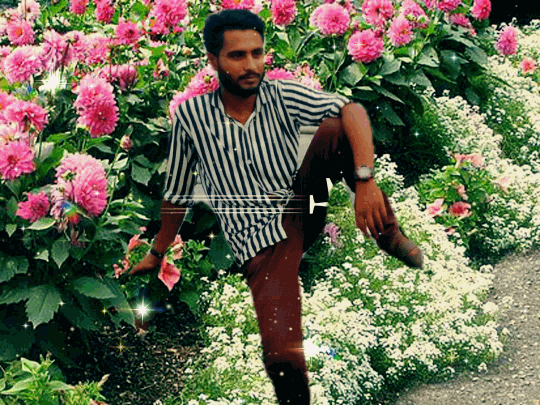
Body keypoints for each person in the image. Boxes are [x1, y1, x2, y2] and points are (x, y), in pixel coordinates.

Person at [131, 8, 423, 404]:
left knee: (336, 127)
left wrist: (365, 180)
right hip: (261, 243)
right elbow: (178, 192)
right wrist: (157, 251)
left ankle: (389, 235)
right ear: (213, 60)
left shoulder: (282, 95)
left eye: (257, 53)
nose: (252, 65)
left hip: (302, 203)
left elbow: (352, 109)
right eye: (237, 56)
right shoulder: (191, 118)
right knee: (282, 353)